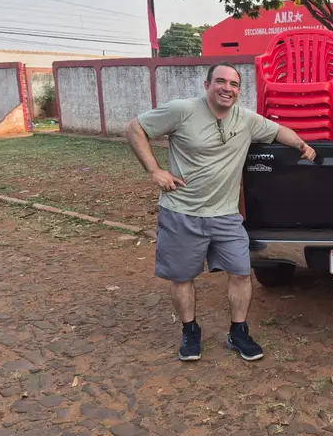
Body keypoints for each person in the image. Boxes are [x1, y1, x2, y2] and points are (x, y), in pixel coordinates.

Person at [125, 62, 316, 363]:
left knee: (241, 272)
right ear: (207, 85)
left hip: (226, 216)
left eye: (234, 84)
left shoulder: (247, 120)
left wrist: (302, 144)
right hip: (182, 212)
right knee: (183, 277)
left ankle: (238, 332)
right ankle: (190, 331)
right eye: (221, 82)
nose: (227, 88)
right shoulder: (182, 110)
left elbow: (279, 131)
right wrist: (154, 170)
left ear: (239, 90)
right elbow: (135, 127)